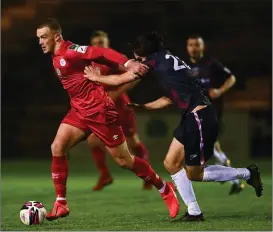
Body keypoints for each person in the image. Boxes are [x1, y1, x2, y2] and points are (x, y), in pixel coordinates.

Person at [84, 31, 263, 221]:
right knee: (171, 163)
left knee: (195, 173)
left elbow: (123, 78)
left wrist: (97, 78)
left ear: (143, 52)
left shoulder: (152, 62)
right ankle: (194, 212)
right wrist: (144, 106)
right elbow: (169, 98)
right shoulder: (167, 59)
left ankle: (247, 173)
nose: (135, 57)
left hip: (200, 118)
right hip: (191, 117)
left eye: (137, 53)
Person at [36, 19, 179, 221]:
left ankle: (164, 188)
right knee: (57, 147)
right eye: (38, 38)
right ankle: (61, 203)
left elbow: (101, 53)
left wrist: (128, 63)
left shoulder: (71, 51)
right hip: (79, 111)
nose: (40, 42)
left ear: (56, 37)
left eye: (43, 37)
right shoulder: (55, 55)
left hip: (99, 111)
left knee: (124, 160)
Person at [87, 30, 152, 191]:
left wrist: (116, 93)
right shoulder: (90, 61)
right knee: (92, 141)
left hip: (120, 106)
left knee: (132, 143)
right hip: (102, 107)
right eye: (95, 43)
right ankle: (105, 175)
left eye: (101, 43)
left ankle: (148, 176)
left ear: (107, 44)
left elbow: (137, 74)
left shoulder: (114, 58)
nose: (98, 46)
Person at [185, 35, 243, 194]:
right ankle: (234, 178)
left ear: (202, 47)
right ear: (187, 47)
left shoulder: (211, 64)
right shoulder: (186, 66)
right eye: (191, 45)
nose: (194, 48)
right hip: (194, 111)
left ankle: (234, 176)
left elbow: (231, 78)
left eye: (197, 44)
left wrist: (219, 90)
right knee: (212, 146)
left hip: (211, 110)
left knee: (202, 144)